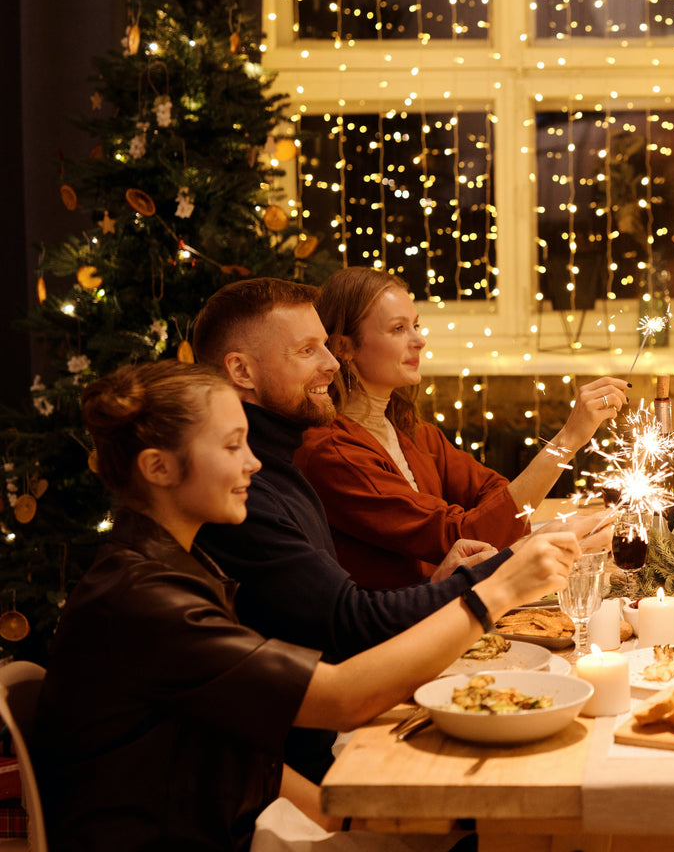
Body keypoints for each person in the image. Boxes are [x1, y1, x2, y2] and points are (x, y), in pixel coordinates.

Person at [34, 361, 578, 852]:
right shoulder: (145, 598)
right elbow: (341, 700)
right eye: (231, 447)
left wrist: (346, 825)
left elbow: (244, 750)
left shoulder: (181, 566)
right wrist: (498, 590)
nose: (252, 464)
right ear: (158, 468)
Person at [187, 277, 604, 780]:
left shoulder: (404, 434)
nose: (330, 365)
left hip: (389, 676)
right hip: (348, 726)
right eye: (308, 350)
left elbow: (496, 503)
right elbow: (350, 627)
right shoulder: (308, 459)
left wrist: (450, 580)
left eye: (417, 325)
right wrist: (501, 577)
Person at [296, 266, 627, 588]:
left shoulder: (410, 430)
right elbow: (460, 532)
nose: (419, 340)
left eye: (416, 325)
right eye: (398, 329)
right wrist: (569, 438)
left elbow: (495, 493)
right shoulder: (333, 452)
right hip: (406, 627)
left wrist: (522, 527)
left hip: (451, 600)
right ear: (344, 347)